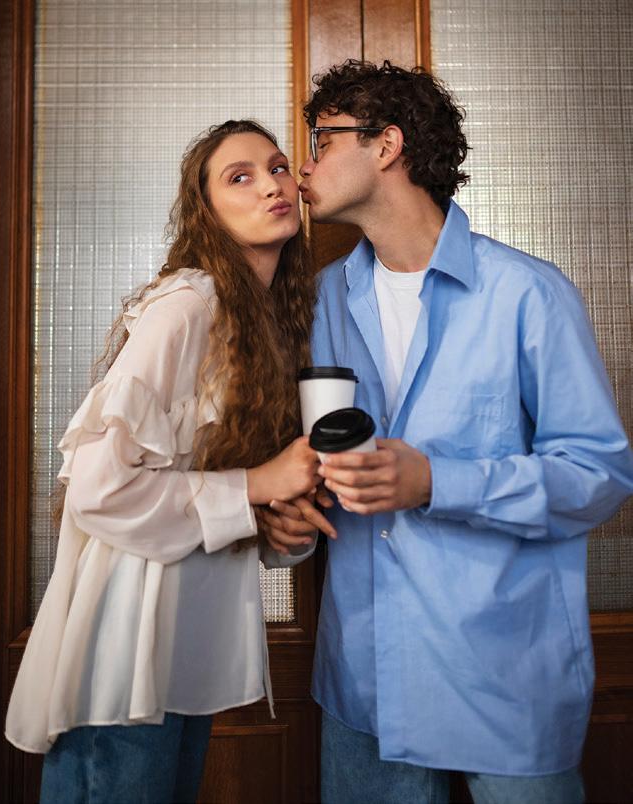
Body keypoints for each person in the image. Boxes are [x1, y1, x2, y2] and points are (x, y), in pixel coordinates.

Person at [264, 60, 633, 803]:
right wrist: (289, 524)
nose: (303, 167)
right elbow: (307, 467)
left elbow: (599, 475)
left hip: (503, 677)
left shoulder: (527, 294)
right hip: (364, 684)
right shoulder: (320, 301)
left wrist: (435, 480)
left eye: (322, 140)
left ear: (387, 144)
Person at [5, 119, 326, 803]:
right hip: (125, 653)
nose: (271, 185)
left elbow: (215, 491)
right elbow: (99, 486)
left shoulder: (273, 323)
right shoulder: (187, 305)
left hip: (185, 648)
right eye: (239, 177)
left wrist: (276, 524)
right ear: (205, 211)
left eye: (277, 167)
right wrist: (257, 485)